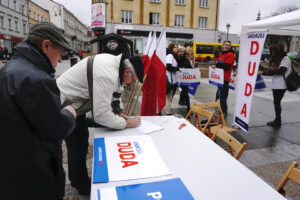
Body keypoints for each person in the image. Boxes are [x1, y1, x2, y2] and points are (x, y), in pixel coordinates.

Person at [0, 22, 77, 200]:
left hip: (13, 168)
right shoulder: (36, 78)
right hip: (35, 173)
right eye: (60, 52)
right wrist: (69, 113)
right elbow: (55, 129)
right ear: (46, 45)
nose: (60, 59)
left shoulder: (10, 69)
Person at [57, 54, 144, 195]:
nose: (130, 84)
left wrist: (119, 112)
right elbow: (100, 115)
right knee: (77, 145)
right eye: (133, 81)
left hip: (75, 106)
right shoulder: (107, 74)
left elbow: (116, 92)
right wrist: (126, 123)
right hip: (64, 106)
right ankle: (82, 186)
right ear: (128, 72)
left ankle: (77, 180)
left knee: (80, 142)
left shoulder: (115, 67)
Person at [260, 44, 291, 127]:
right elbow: (274, 71)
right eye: (272, 53)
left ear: (279, 52)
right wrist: (264, 72)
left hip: (281, 85)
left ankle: (278, 121)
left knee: (277, 102)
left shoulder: (285, 59)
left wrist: (267, 72)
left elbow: (281, 71)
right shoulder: (278, 60)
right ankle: (277, 120)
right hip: (276, 85)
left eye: (274, 53)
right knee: (276, 103)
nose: (273, 54)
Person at [212, 40, 235, 117]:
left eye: (228, 45)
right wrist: (216, 65)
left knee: (222, 95)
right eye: (225, 45)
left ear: (230, 46)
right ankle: (219, 109)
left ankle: (223, 111)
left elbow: (226, 66)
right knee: (219, 95)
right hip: (219, 78)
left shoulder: (231, 55)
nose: (227, 46)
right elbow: (219, 64)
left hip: (225, 78)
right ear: (223, 45)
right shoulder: (221, 54)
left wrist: (217, 64)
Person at [165, 42, 181, 115]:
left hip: (172, 81)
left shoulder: (173, 56)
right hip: (169, 80)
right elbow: (168, 67)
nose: (176, 48)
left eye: (177, 47)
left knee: (169, 97)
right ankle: (166, 112)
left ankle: (168, 111)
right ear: (171, 48)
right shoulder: (170, 56)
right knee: (168, 97)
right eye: (175, 47)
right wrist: (177, 69)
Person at [179, 46, 194, 114]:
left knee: (186, 92)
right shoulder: (183, 57)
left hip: (186, 78)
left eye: (192, 50)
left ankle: (188, 108)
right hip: (180, 77)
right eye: (190, 50)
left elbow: (190, 67)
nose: (191, 51)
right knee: (170, 94)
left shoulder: (190, 58)